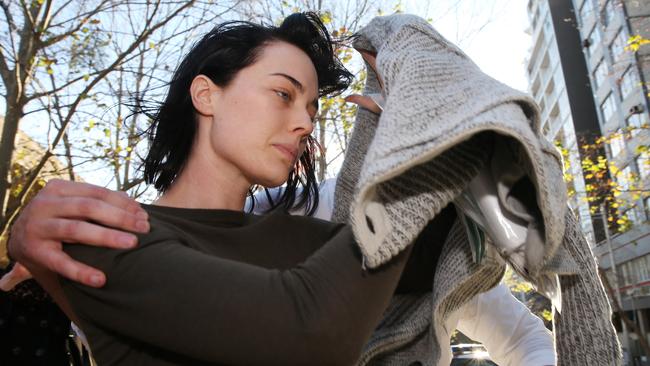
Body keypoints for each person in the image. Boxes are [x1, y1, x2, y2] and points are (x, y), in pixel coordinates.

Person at [7, 12, 444, 366]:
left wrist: (419, 121)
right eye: (282, 94)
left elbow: (434, 253)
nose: (306, 123)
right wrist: (400, 156)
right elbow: (307, 330)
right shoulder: (110, 231)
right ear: (206, 95)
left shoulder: (299, 238)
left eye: (311, 108)